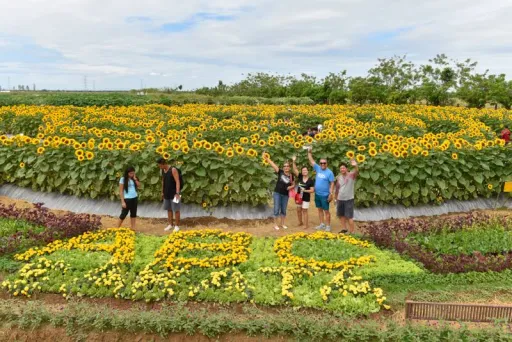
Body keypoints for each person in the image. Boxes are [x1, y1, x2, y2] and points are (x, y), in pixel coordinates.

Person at [263, 154, 295, 230]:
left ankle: (282, 224)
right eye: (285, 166)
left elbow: (293, 184)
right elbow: (273, 165)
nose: (286, 167)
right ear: (283, 168)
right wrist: (267, 159)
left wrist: (290, 187)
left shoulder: (291, 176)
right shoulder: (280, 172)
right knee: (276, 209)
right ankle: (275, 224)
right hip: (277, 193)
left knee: (283, 210)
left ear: (289, 168)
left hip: (285, 195)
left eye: (287, 166)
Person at [307, 147, 335, 232]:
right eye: (321, 163)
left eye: (324, 163)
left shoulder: (329, 172)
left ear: (327, 163)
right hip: (317, 194)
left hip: (325, 195)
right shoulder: (318, 168)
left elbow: (332, 183)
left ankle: (328, 226)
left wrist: (331, 193)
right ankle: (322, 224)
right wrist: (309, 152)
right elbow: (311, 161)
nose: (322, 164)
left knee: (326, 211)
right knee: (319, 209)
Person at [157, 158, 182, 233]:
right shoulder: (163, 170)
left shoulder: (173, 170)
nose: (159, 167)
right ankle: (170, 224)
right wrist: (162, 192)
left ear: (163, 163)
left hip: (175, 193)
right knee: (169, 209)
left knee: (176, 209)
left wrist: (177, 193)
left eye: (160, 165)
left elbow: (177, 181)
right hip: (166, 193)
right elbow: (163, 181)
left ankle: (177, 226)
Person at [335, 160, 359, 234]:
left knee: (349, 216)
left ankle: (352, 232)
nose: (342, 169)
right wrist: (336, 198)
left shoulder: (351, 175)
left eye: (343, 168)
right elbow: (337, 188)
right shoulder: (339, 177)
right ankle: (344, 229)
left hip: (349, 199)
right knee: (341, 215)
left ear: (346, 169)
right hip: (340, 199)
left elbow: (356, 172)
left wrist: (355, 165)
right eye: (341, 168)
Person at [292, 156, 315, 229]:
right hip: (299, 197)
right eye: (303, 170)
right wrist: (293, 161)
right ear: (302, 172)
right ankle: (300, 222)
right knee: (298, 210)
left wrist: (305, 190)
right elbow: (295, 169)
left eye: (305, 170)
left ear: (308, 171)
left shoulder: (310, 180)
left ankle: (306, 225)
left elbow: (312, 190)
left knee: (304, 210)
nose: (304, 171)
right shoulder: (300, 177)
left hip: (306, 197)